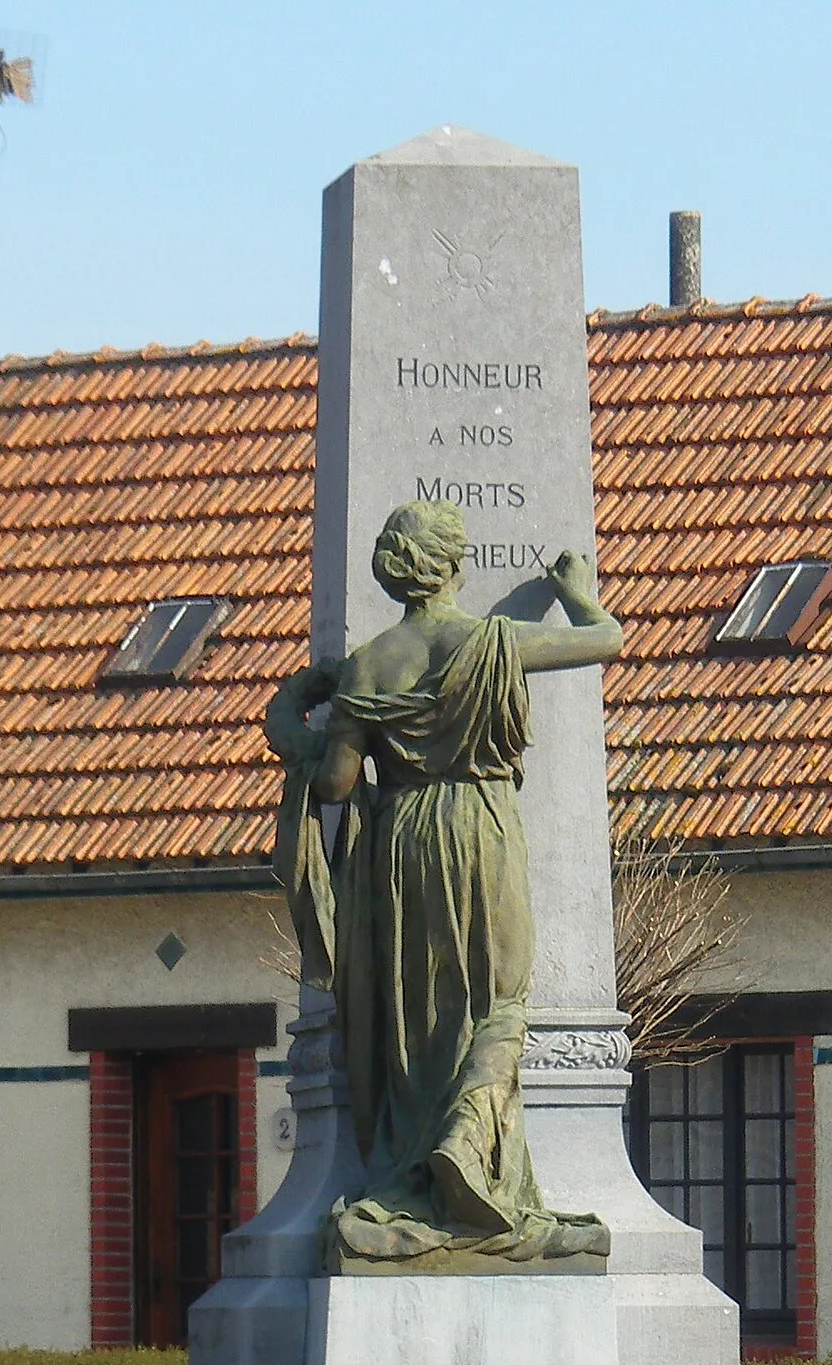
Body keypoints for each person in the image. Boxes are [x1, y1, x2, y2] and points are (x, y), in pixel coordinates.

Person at [267, 498, 623, 1266]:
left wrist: (292, 714)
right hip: (482, 828)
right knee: (501, 995)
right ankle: (467, 1137)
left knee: (417, 1012)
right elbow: (606, 639)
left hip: (402, 843)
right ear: (456, 565)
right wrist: (575, 588)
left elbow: (332, 786)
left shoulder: (368, 664)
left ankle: (429, 1152)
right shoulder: (493, 643)